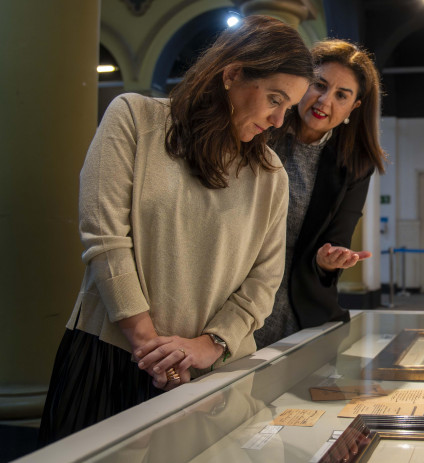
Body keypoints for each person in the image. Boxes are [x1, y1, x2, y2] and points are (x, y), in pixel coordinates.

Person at [38, 15, 314, 445]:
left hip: (212, 374)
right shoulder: (135, 118)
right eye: (274, 99)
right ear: (233, 73)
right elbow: (104, 237)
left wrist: (210, 344)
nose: (279, 121)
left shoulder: (270, 175)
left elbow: (263, 281)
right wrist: (155, 352)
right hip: (111, 358)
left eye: (288, 108)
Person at [253, 39, 386, 349]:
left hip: (299, 304)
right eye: (319, 85)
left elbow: (337, 239)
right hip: (234, 291)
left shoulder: (356, 164)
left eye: (341, 95)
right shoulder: (258, 130)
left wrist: (330, 259)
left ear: (355, 107)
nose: (324, 102)